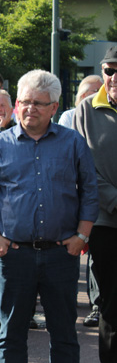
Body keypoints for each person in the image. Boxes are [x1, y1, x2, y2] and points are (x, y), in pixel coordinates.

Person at [0, 69, 98, 363]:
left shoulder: (72, 143)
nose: (29, 109)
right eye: (25, 102)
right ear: (17, 103)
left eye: (38, 103)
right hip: (14, 256)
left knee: (64, 334)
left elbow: (90, 193)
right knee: (11, 334)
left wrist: (81, 237)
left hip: (61, 255)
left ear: (54, 108)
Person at [73, 46, 117, 363]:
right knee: (113, 305)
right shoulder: (86, 110)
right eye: (109, 70)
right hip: (106, 223)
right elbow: (84, 168)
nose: (113, 77)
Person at [57, 74, 103, 328]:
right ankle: (71, 297)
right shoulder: (70, 118)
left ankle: (97, 302)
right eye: (90, 93)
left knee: (94, 249)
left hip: (98, 194)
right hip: (75, 195)